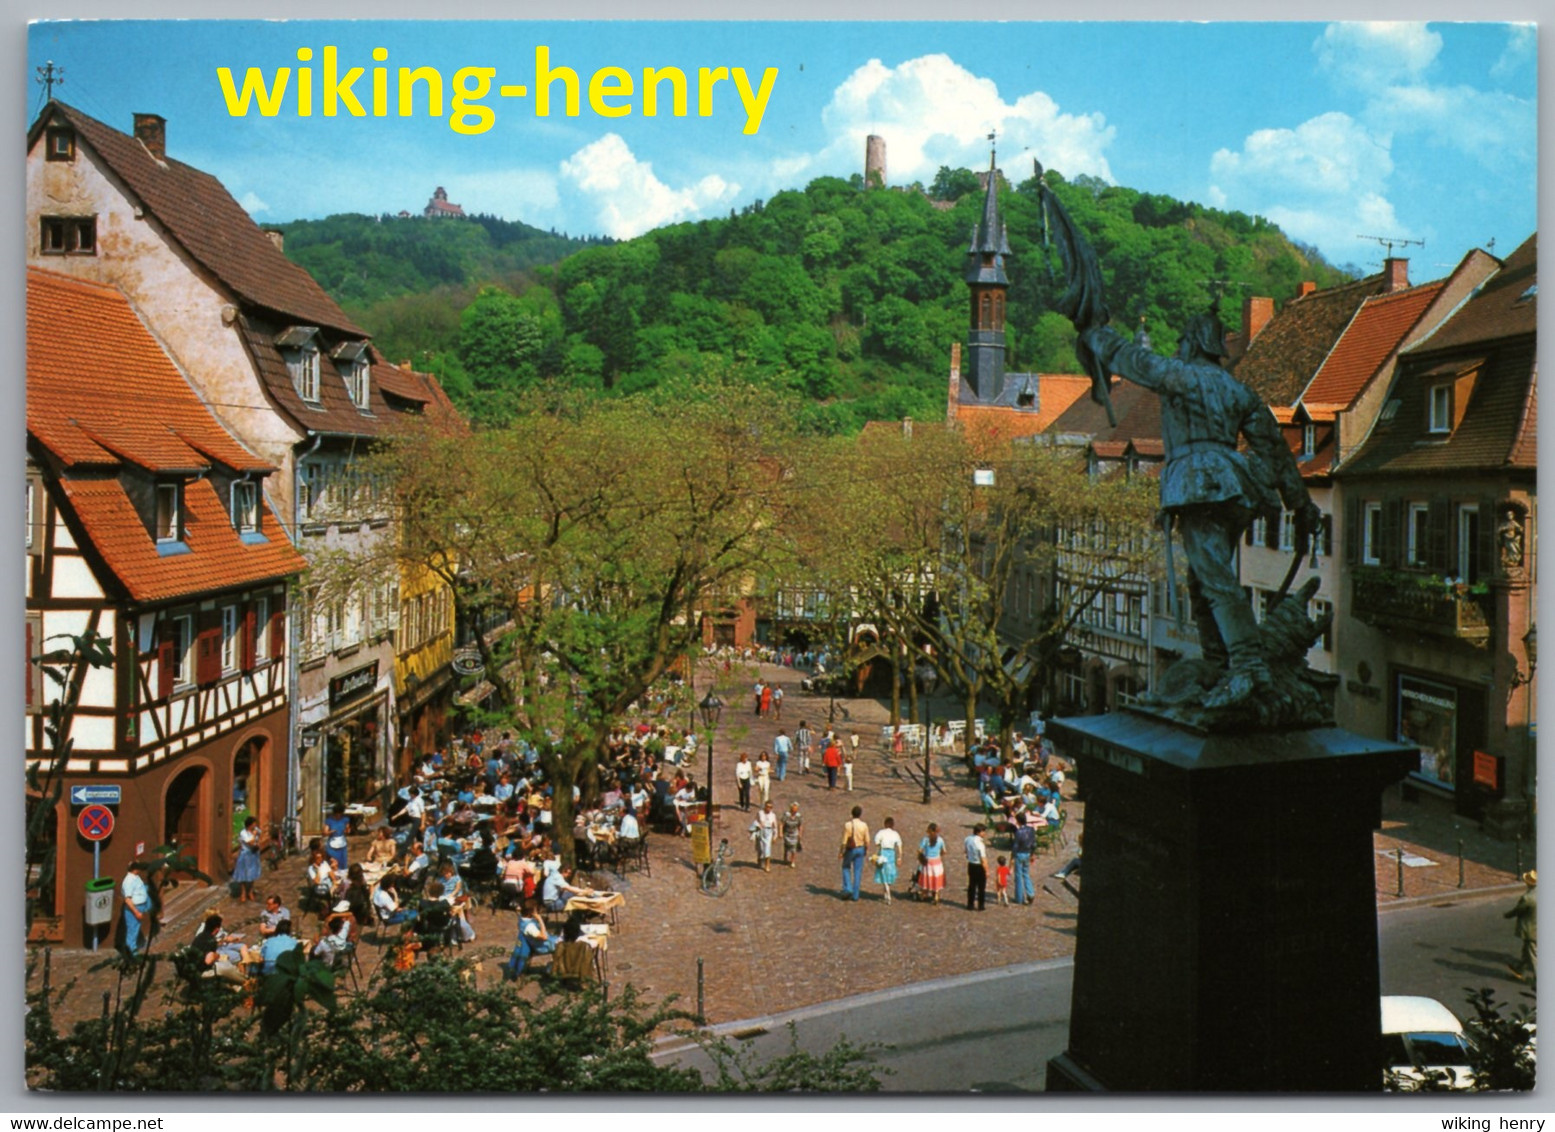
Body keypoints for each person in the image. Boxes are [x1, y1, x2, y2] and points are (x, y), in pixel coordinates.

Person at [1083, 313, 1321, 709]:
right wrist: (1300, 502)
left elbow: (1131, 360)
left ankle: (1246, 664)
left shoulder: (1181, 376)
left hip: (1196, 484)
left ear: (1192, 344)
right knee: (1203, 579)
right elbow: (1276, 451)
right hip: (1234, 487)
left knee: (1213, 579)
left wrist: (1096, 334)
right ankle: (1220, 662)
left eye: (1183, 343)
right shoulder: (1239, 391)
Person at [191, 913, 245, 983]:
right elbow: (208, 960)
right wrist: (216, 956)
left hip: (194, 970)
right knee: (228, 968)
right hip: (203, 971)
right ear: (217, 929)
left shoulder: (199, 937)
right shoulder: (211, 940)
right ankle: (245, 981)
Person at [504, 910, 555, 980]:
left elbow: (519, 908)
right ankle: (555, 969)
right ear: (532, 913)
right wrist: (540, 920)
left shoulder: (522, 920)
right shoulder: (529, 926)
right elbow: (544, 937)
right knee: (565, 945)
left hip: (540, 942)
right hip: (543, 946)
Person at [1506, 870, 1537, 980]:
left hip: (1531, 930)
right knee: (1526, 950)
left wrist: (1508, 915)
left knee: (1533, 955)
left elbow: (1518, 910)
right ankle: (1519, 969)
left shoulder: (1528, 898)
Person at [119, 860, 152, 956]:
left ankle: (132, 950)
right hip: (133, 909)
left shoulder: (135, 877)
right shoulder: (128, 881)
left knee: (135, 929)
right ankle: (131, 952)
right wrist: (136, 912)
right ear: (135, 869)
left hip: (140, 906)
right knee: (132, 930)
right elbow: (128, 900)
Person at [839, 806, 869, 902]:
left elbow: (844, 841)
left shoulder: (848, 825)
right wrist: (866, 850)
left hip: (850, 849)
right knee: (857, 871)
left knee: (846, 867)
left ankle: (848, 888)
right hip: (860, 848)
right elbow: (867, 840)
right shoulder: (864, 825)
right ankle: (856, 895)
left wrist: (841, 852)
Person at [233, 816, 263, 903]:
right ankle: (243, 892)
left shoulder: (256, 829)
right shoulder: (243, 833)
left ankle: (250, 891)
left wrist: (258, 842)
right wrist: (254, 835)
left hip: (253, 854)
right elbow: (250, 842)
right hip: (245, 855)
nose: (255, 826)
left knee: (252, 874)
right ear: (249, 825)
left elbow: (259, 836)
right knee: (243, 875)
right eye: (253, 824)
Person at [873, 817, 902, 903]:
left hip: (883, 853)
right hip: (891, 854)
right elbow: (899, 846)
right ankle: (887, 892)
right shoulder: (895, 834)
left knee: (883, 873)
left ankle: (887, 894)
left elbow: (877, 844)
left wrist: (876, 855)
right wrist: (899, 857)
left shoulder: (881, 833)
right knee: (890, 873)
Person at [919, 824, 946, 905]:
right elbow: (944, 851)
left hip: (928, 862)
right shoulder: (940, 840)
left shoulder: (925, 840)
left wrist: (921, 857)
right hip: (937, 862)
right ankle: (936, 895)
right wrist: (939, 855)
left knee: (927, 878)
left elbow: (920, 850)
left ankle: (924, 893)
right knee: (936, 878)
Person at [1011, 820, 1037, 906]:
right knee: (1026, 874)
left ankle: (1019, 898)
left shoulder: (1018, 832)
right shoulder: (1031, 830)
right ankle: (1030, 893)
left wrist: (1012, 856)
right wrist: (1033, 854)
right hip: (1027, 853)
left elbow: (1015, 846)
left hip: (1019, 854)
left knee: (1018, 876)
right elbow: (1034, 843)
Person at [965, 824, 989, 911]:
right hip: (979, 866)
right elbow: (983, 859)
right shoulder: (980, 844)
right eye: (983, 831)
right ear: (979, 832)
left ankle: (970, 904)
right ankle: (980, 905)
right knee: (981, 887)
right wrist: (987, 870)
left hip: (971, 864)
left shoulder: (968, 839)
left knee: (971, 885)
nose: (985, 833)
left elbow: (966, 851)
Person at [752, 801, 778, 871]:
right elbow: (755, 821)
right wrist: (758, 825)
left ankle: (767, 865)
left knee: (767, 848)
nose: (769, 808)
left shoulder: (773, 815)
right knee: (760, 848)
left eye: (770, 807)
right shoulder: (760, 813)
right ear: (765, 806)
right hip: (761, 832)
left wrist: (775, 835)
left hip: (768, 832)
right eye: (767, 807)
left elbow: (775, 826)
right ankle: (759, 860)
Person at [324, 803, 350, 870]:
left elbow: (348, 830)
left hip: (342, 842)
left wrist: (347, 830)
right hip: (332, 842)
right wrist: (331, 832)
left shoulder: (345, 819)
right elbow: (325, 832)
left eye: (340, 814)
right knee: (333, 861)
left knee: (342, 862)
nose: (339, 816)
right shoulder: (329, 820)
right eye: (337, 814)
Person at [780, 802, 803, 869]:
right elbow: (782, 824)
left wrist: (800, 833)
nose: (794, 811)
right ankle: (785, 856)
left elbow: (800, 825)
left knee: (794, 848)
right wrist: (780, 833)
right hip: (787, 832)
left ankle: (792, 861)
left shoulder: (798, 816)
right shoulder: (786, 815)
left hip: (794, 833)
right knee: (786, 846)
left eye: (796, 809)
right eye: (793, 809)